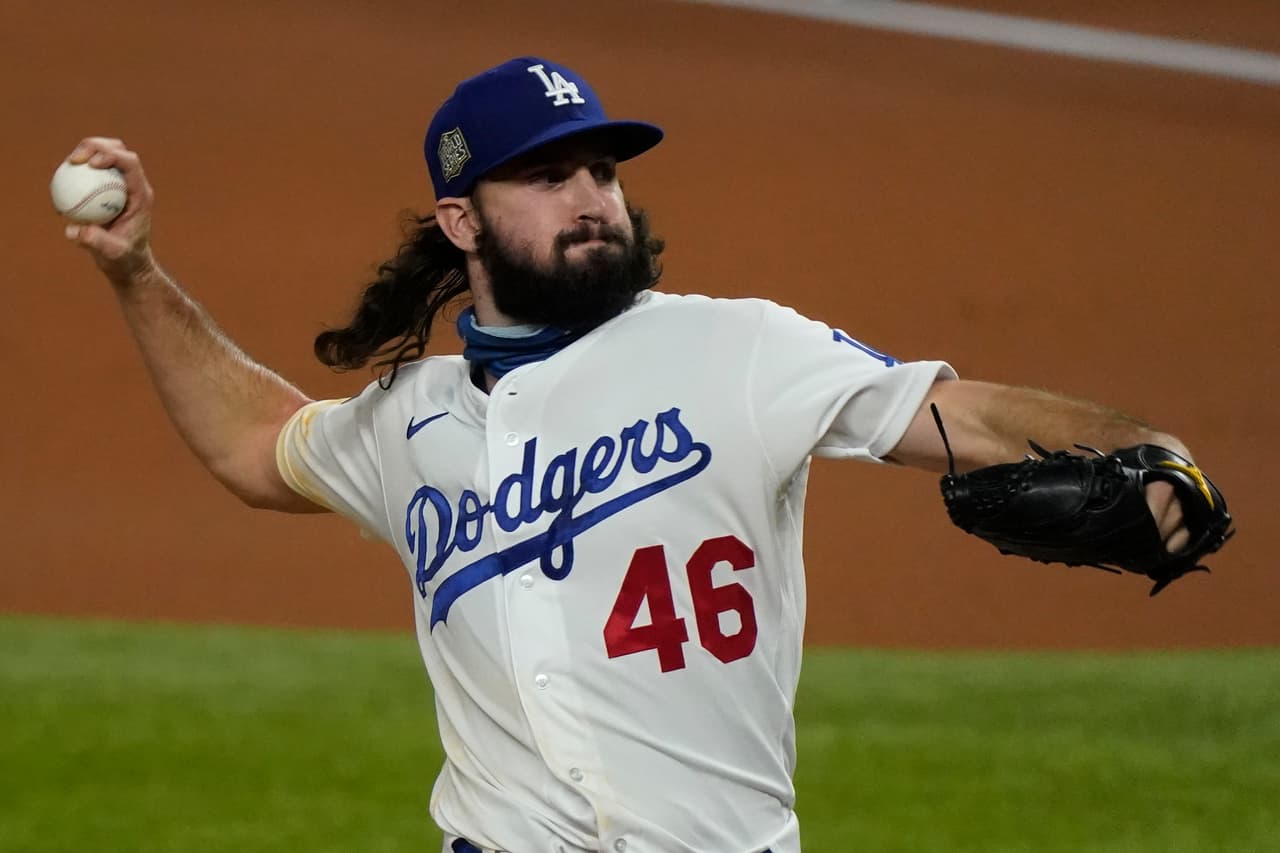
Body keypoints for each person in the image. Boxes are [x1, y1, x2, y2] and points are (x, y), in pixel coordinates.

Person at [64, 56, 1196, 853]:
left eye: (601, 170)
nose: (591, 196)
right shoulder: (410, 421)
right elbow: (256, 442)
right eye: (549, 176)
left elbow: (955, 414)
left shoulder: (734, 346)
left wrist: (1143, 447)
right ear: (461, 222)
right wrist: (135, 272)